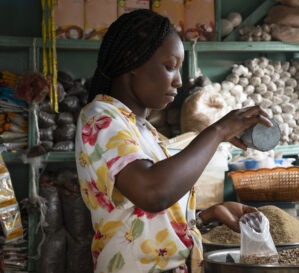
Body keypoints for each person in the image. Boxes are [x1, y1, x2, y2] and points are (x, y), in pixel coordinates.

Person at [75, 9, 273, 273]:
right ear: (132, 60)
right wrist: (217, 131)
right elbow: (153, 192)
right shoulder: (100, 118)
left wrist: (207, 215)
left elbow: (146, 216)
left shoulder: (145, 132)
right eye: (169, 67)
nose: (179, 81)